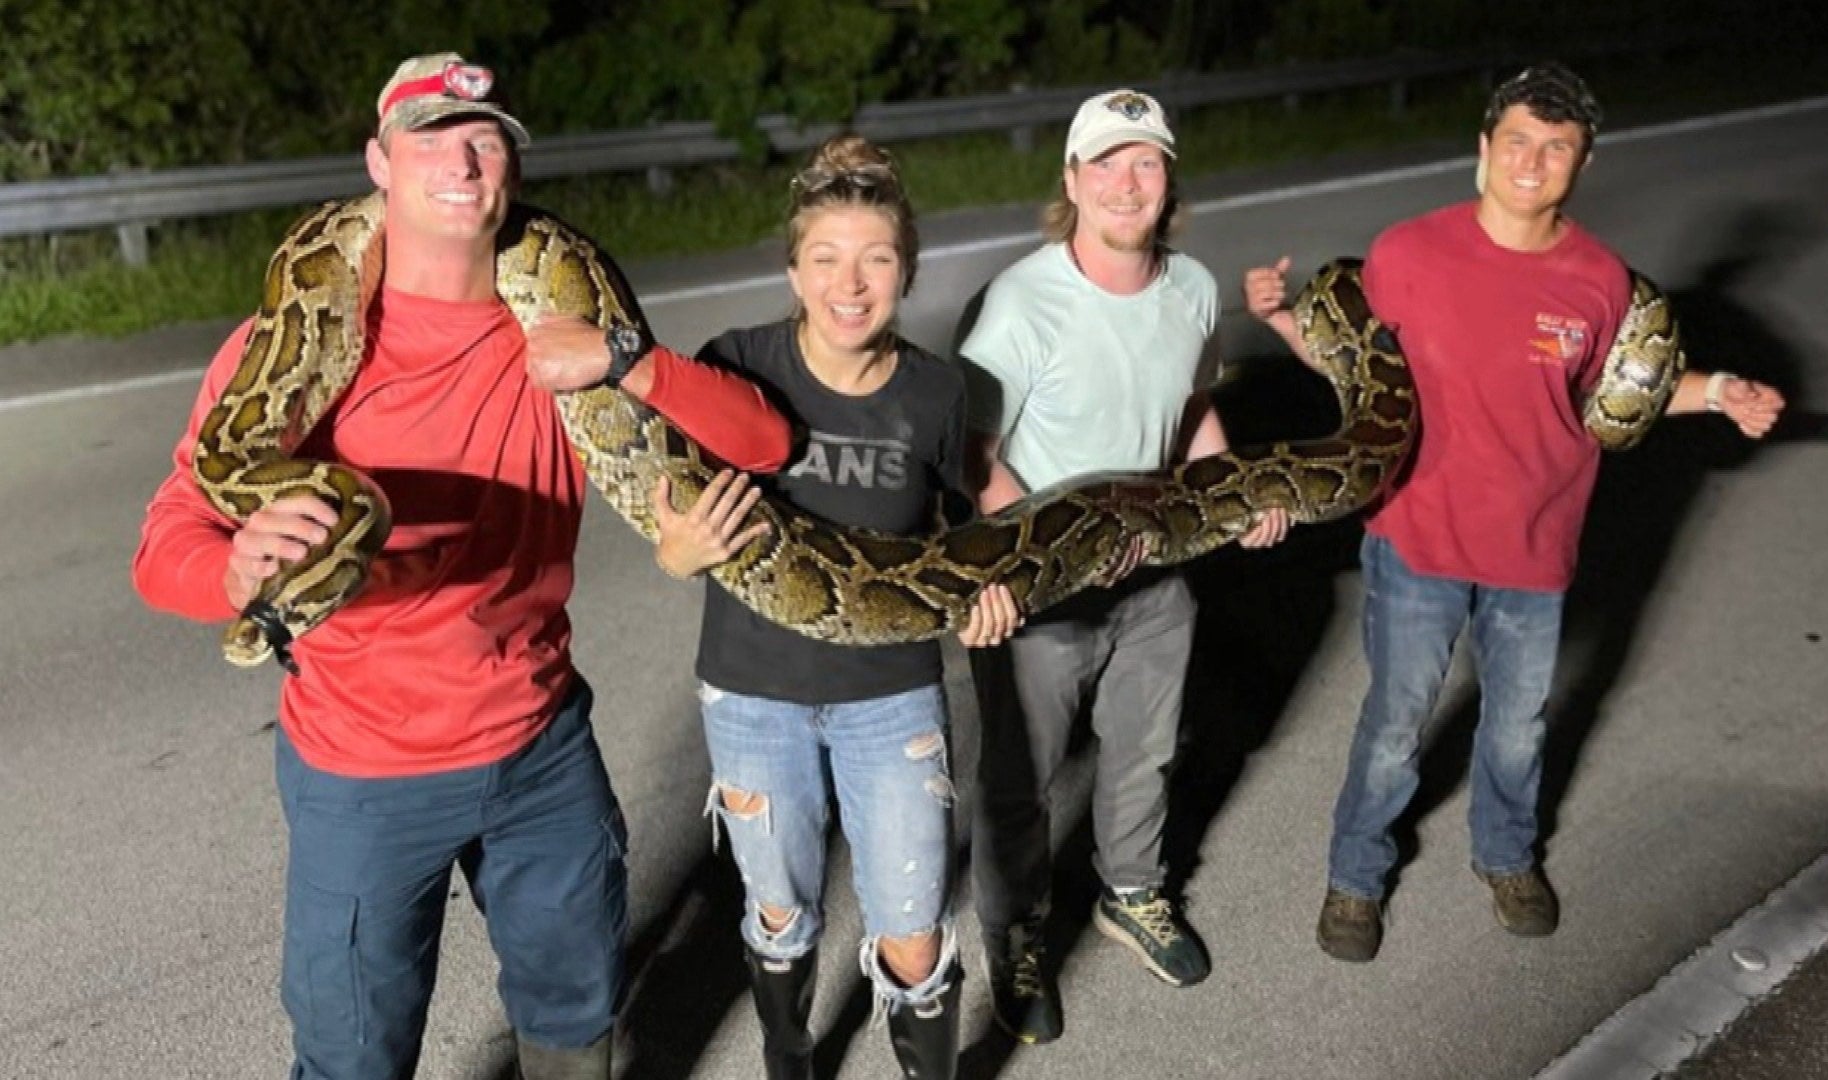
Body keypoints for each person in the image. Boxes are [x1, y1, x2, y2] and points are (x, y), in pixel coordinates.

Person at [131, 53, 793, 1079]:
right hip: (363, 772)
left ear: (512, 172)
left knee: (577, 1017)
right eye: (430, 136)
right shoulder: (289, 346)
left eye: (484, 139)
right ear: (377, 164)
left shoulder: (564, 337)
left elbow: (758, 448)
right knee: (354, 1054)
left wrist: (629, 362)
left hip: (540, 746)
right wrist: (231, 574)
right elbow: (167, 540)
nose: (461, 160)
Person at [1243, 62, 1786, 965]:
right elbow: (1359, 370)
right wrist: (1283, 322)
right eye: (1520, 142)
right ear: (1485, 150)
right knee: (1394, 722)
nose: (1534, 164)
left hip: (1536, 547)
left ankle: (1506, 857)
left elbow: (1621, 396)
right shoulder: (1408, 252)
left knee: (1518, 725)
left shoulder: (1603, 282)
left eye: (1558, 148)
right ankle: (1355, 875)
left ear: (1582, 163)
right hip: (1416, 537)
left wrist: (1721, 390)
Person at [649, 134, 1019, 1080]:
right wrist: (676, 553)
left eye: (876, 259)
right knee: (779, 910)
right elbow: (671, 516)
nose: (849, 284)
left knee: (911, 927)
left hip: (891, 698)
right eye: (826, 258)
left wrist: (999, 590)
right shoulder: (735, 366)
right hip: (751, 691)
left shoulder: (938, 393)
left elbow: (976, 521)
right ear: (793, 268)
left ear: (906, 271)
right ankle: (790, 1048)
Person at [959, 88, 1288, 1044]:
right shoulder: (1019, 303)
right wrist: (1058, 557)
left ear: (1169, 180)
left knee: (1146, 752)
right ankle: (1016, 932)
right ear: (1070, 181)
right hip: (1044, 595)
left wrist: (1236, 495)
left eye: (1144, 162)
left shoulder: (1190, 288)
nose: (1125, 183)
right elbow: (975, 456)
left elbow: (1191, 413)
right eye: (1104, 163)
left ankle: (1131, 893)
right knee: (1021, 777)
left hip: (1157, 579)